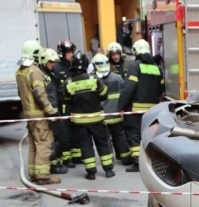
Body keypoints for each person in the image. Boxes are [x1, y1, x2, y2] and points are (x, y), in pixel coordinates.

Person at [63, 52, 114, 180]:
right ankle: (108, 170)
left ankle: (91, 172)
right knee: (102, 143)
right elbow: (104, 94)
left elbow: (67, 99)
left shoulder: (68, 82)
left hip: (80, 122)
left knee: (86, 145)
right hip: (97, 119)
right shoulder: (94, 79)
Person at [16, 40, 60, 185]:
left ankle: (34, 174)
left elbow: (20, 93)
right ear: (36, 54)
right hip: (39, 115)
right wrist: (50, 111)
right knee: (43, 143)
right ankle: (43, 176)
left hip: (29, 115)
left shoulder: (20, 71)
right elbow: (40, 94)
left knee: (34, 145)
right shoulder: (35, 71)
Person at [118, 39, 165, 172]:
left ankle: (138, 162)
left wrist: (121, 105)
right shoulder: (156, 67)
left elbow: (128, 88)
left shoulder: (135, 66)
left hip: (136, 109)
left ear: (135, 51)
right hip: (152, 109)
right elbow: (161, 87)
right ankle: (151, 159)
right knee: (149, 133)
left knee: (134, 134)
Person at [92, 53, 132, 165]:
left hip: (102, 116)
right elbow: (124, 93)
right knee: (120, 137)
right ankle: (125, 157)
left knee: (105, 140)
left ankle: (108, 161)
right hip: (116, 115)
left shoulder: (94, 80)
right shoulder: (117, 78)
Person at [38, 48, 70, 174]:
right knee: (54, 139)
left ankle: (58, 161)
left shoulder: (50, 74)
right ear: (43, 61)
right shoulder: (44, 76)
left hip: (56, 111)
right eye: (50, 62)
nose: (53, 64)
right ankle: (54, 165)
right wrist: (52, 112)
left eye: (53, 62)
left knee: (60, 137)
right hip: (51, 113)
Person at [55, 40, 81, 167]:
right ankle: (67, 158)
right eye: (68, 53)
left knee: (76, 130)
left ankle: (77, 156)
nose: (71, 55)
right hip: (63, 104)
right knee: (65, 132)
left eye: (72, 52)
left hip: (75, 103)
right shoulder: (57, 67)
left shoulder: (74, 66)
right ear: (62, 53)